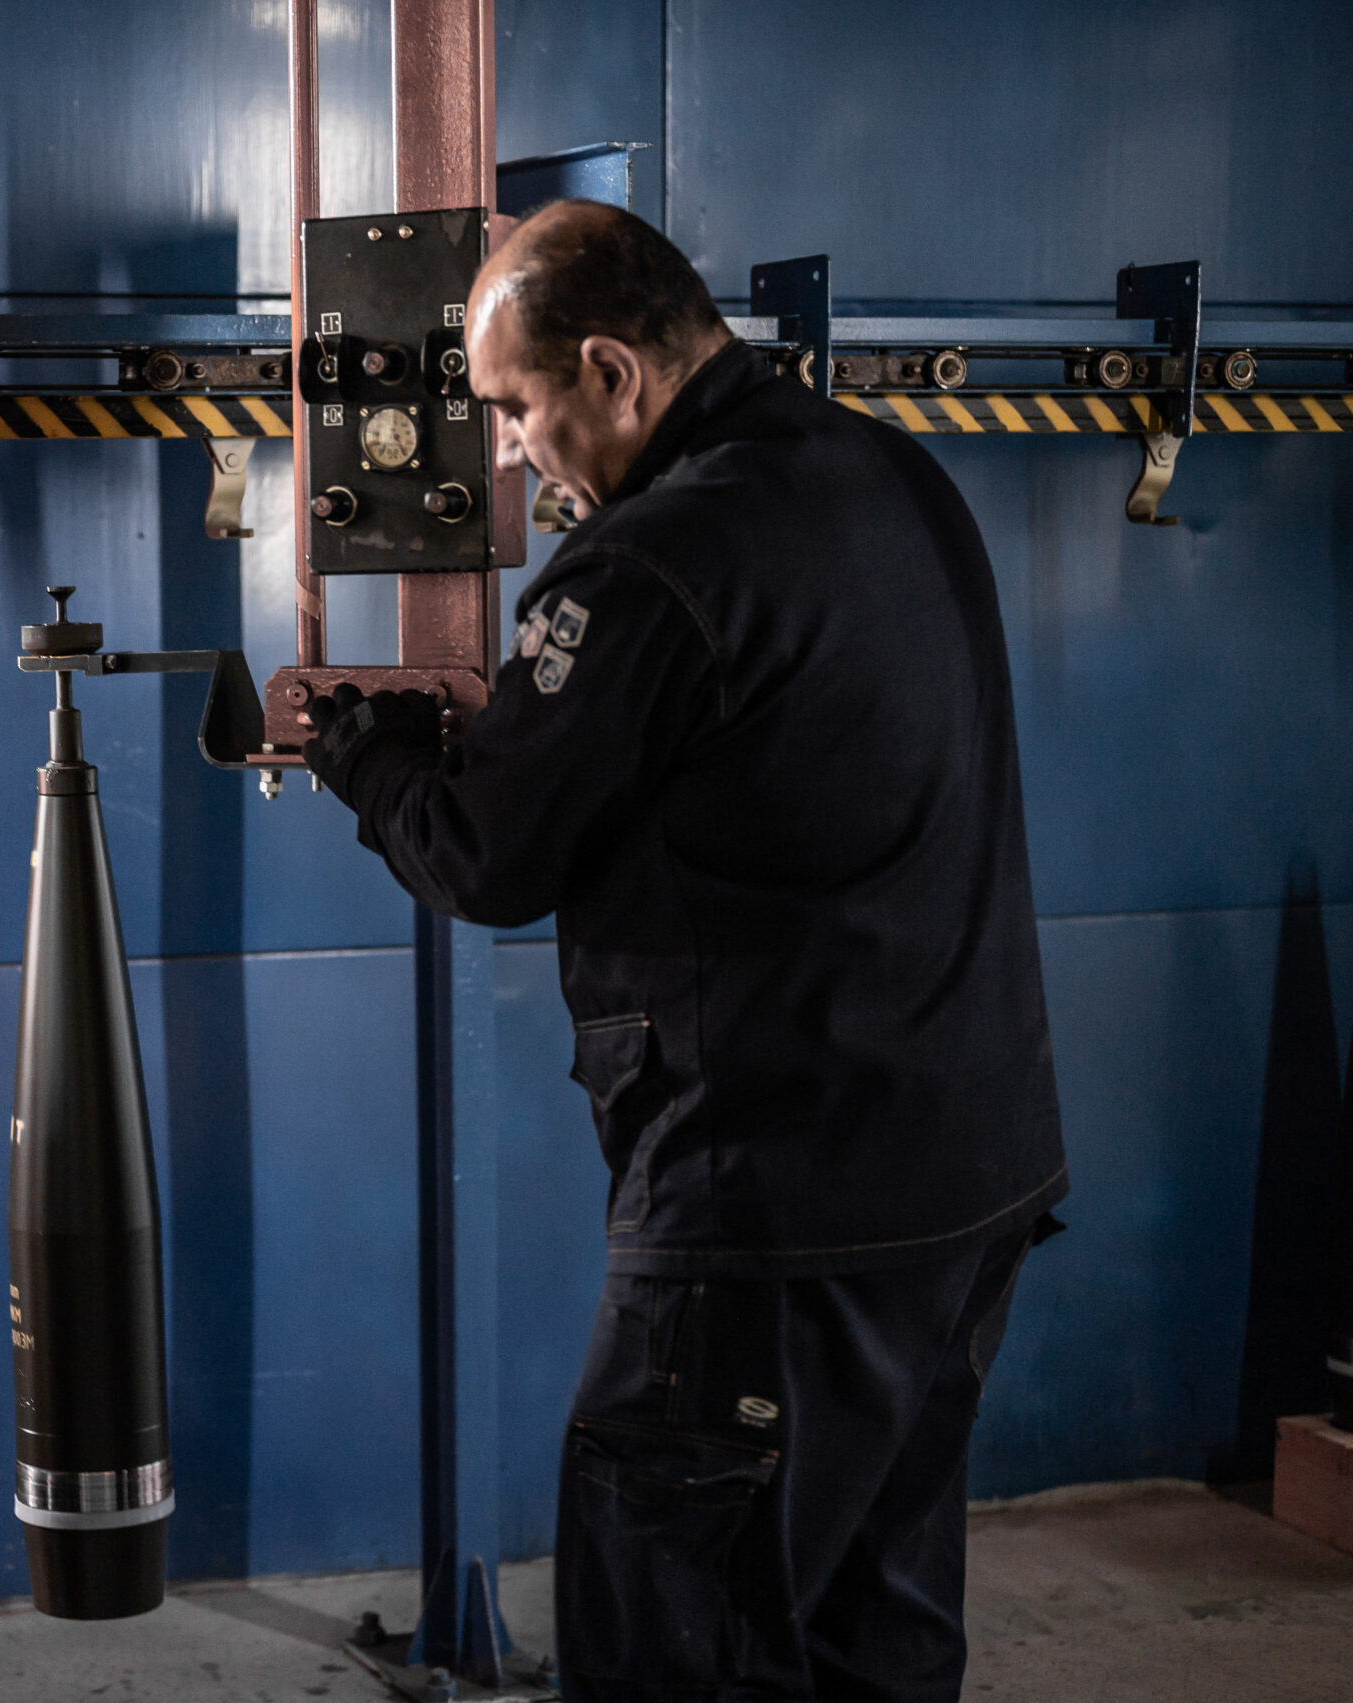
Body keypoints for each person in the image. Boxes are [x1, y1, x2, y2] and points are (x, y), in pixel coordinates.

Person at [302, 200, 1068, 1702]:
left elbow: (485, 854)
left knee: (675, 1638)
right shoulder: (892, 473)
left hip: (776, 1213)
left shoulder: (650, 565)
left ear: (611, 371)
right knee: (874, 1633)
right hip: (972, 1180)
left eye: (516, 409)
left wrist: (366, 757)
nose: (510, 454)